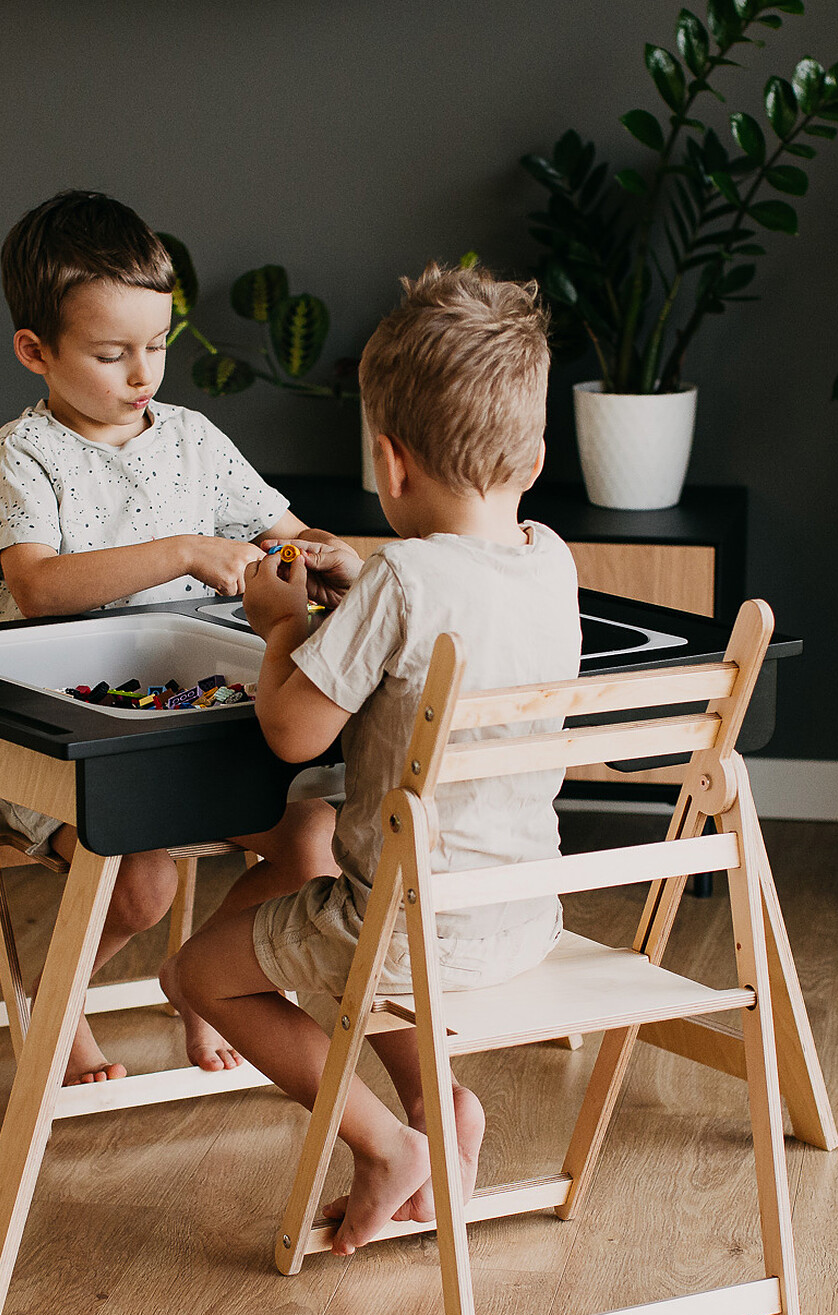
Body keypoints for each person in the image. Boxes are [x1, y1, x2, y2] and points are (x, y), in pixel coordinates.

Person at [163, 260, 581, 1251]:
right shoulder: (550, 559)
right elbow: (446, 612)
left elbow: (293, 731)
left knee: (199, 975)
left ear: (388, 464)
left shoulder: (401, 583)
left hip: (408, 928)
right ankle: (446, 1109)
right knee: (375, 947)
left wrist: (278, 624)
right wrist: (364, 589)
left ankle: (387, 1142)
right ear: (531, 458)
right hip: (518, 914)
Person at [0, 188, 342, 1086]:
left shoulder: (193, 439)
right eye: (112, 354)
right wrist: (181, 549)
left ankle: (207, 981)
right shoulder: (26, 452)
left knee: (312, 846)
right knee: (141, 883)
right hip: (73, 734)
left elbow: (285, 533)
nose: (143, 373)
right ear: (37, 352)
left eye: (157, 346)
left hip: (198, 722)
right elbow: (35, 588)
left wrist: (329, 556)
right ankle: (56, 1000)